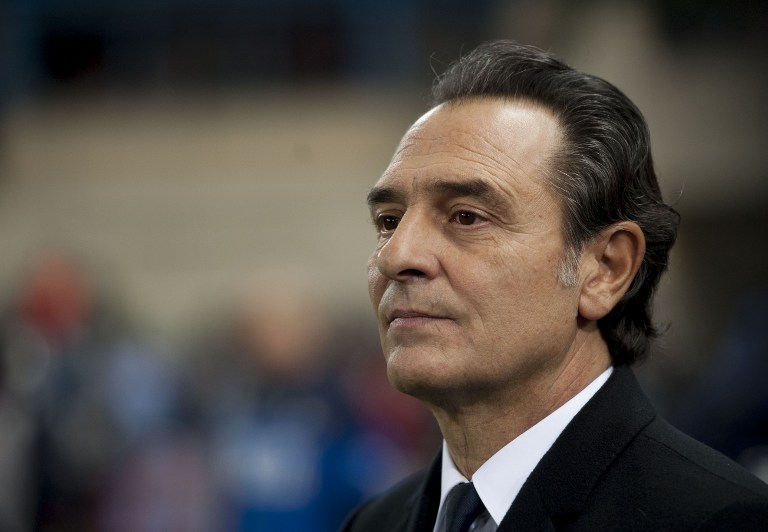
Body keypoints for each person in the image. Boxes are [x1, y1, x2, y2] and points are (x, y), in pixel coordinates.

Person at [342, 41, 768, 531]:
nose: (397, 256)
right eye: (389, 221)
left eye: (466, 217)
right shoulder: (371, 523)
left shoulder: (718, 522)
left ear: (606, 269)